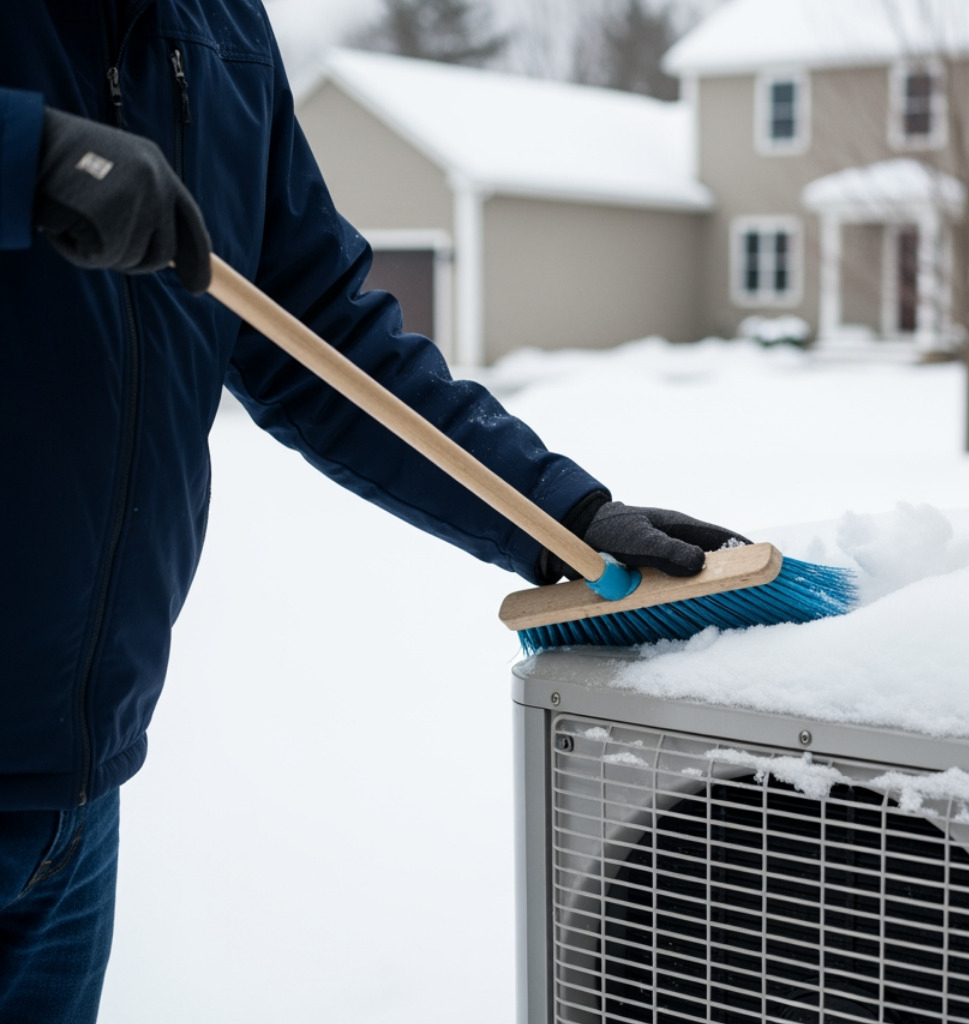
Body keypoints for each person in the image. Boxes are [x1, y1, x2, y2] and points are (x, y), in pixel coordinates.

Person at [0, 2, 743, 1019]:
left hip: (75, 779)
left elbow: (324, 334)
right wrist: (22, 155)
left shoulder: (217, 31)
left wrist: (560, 511)